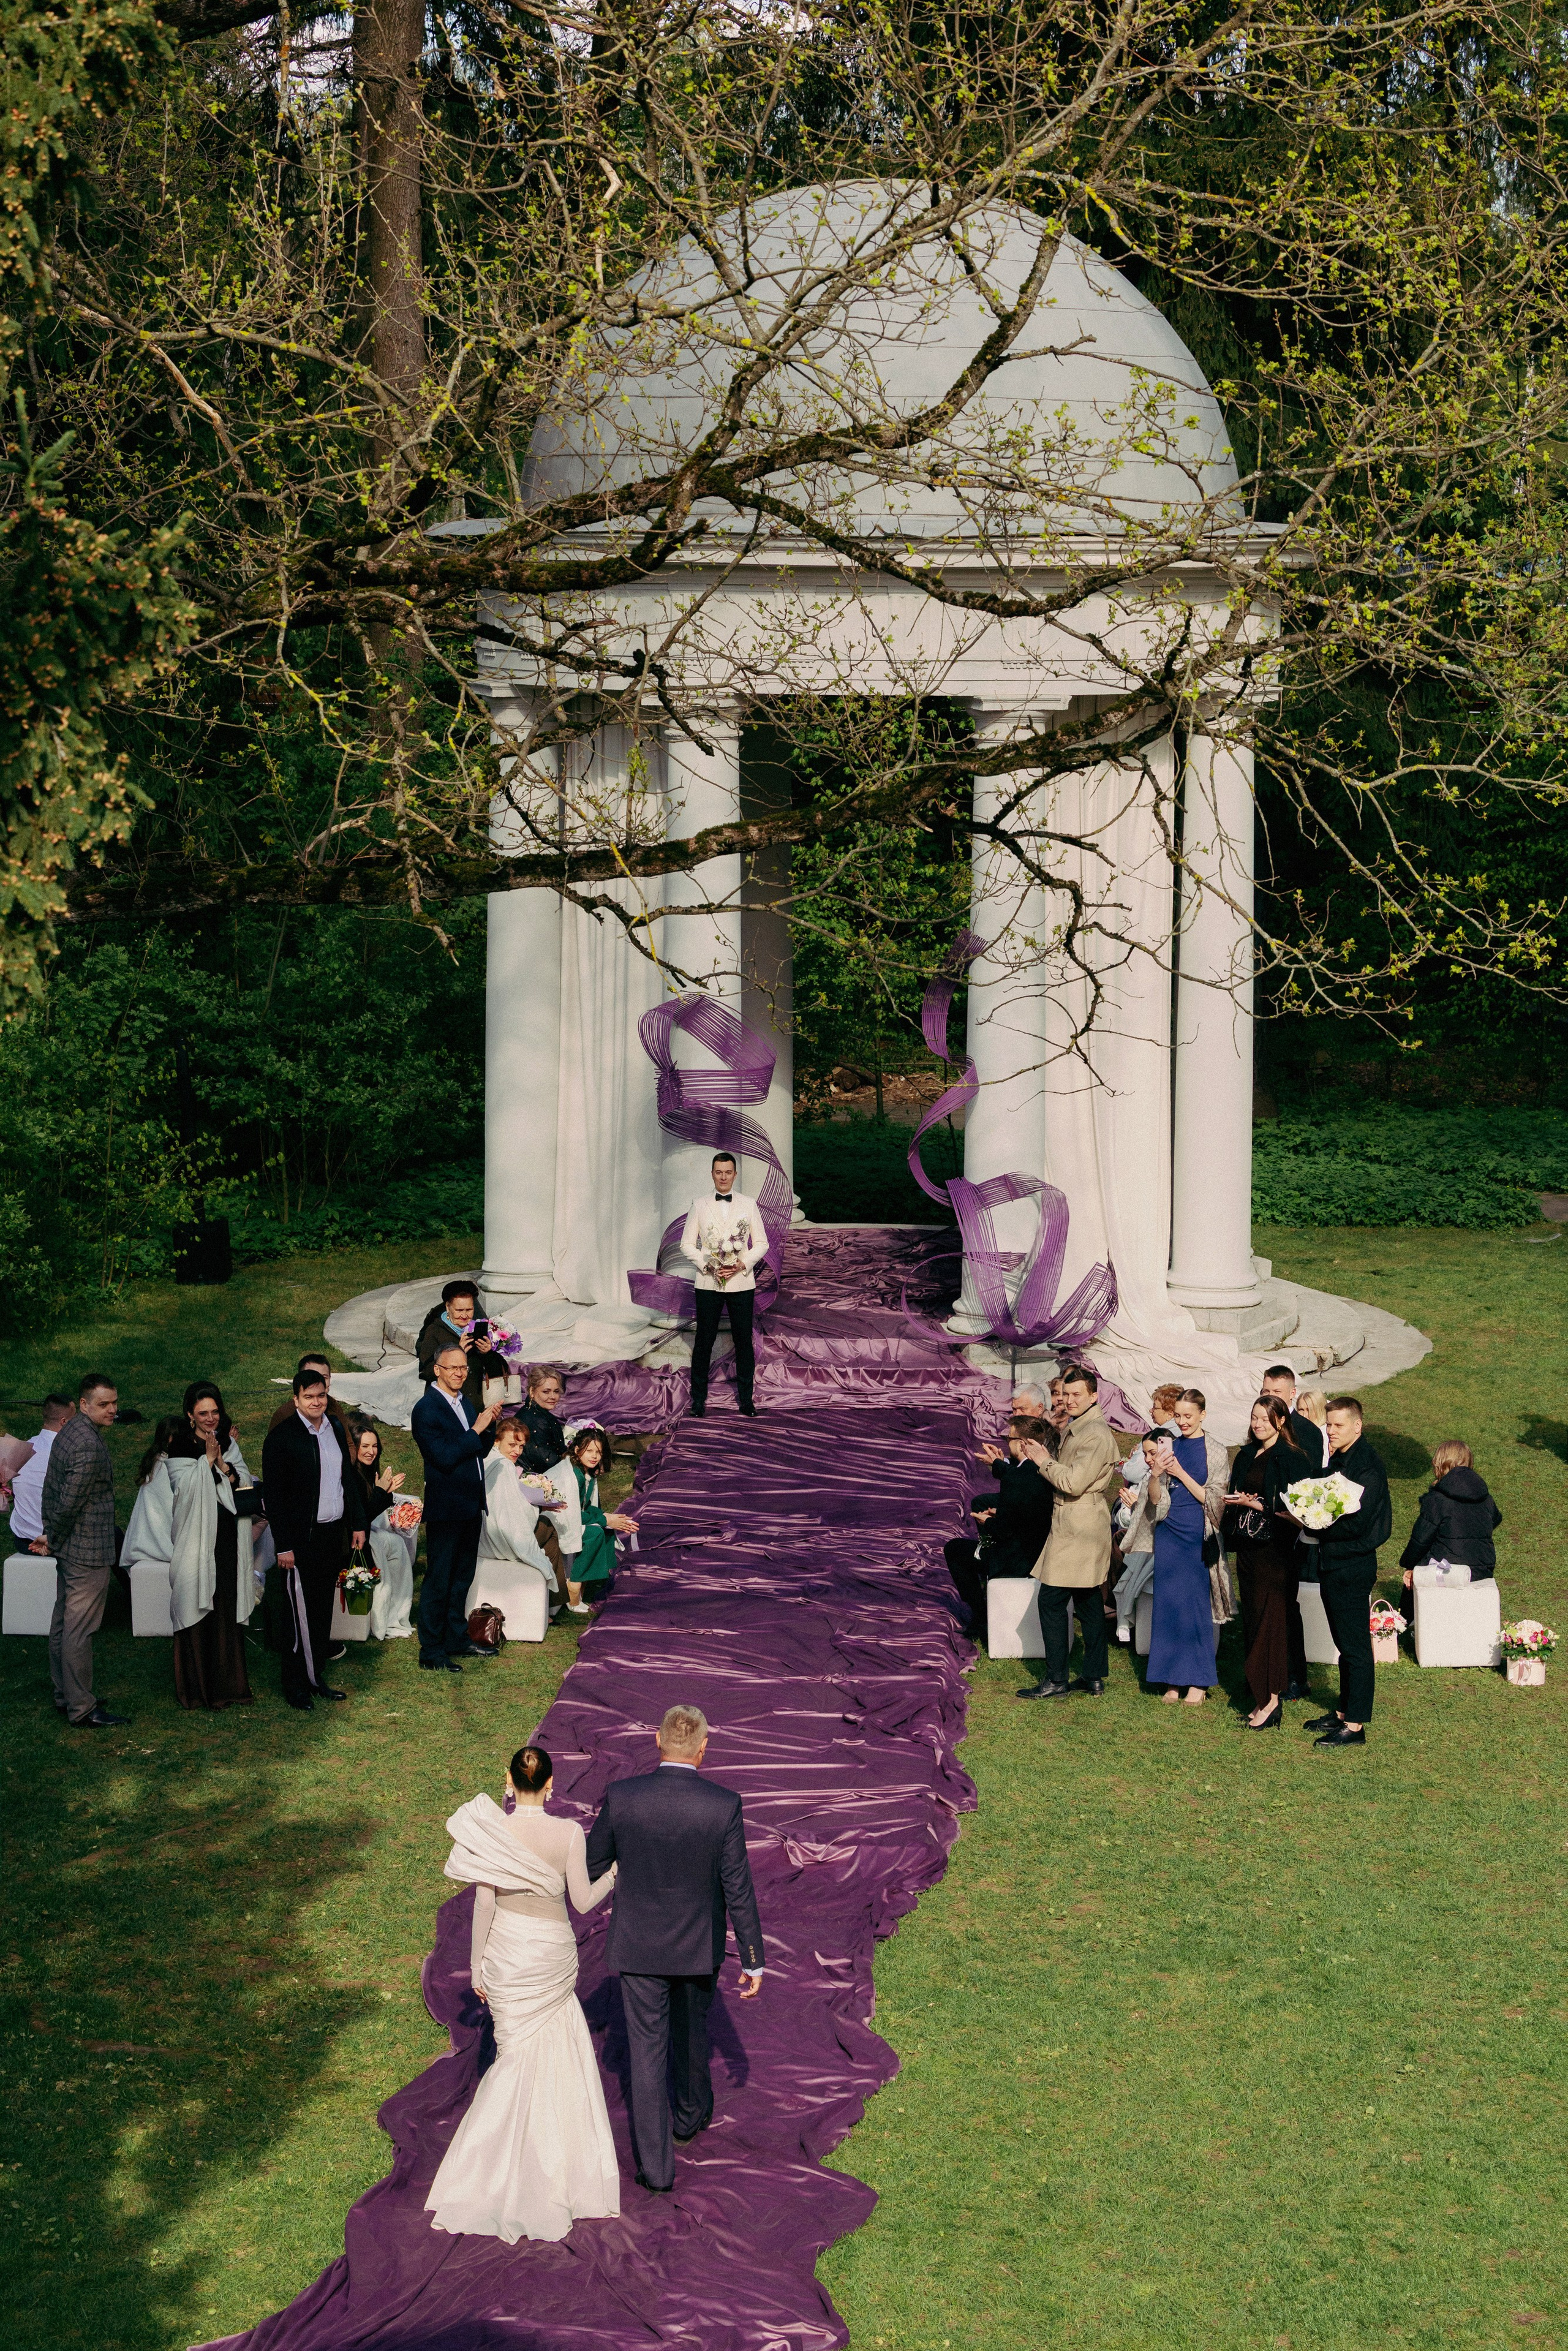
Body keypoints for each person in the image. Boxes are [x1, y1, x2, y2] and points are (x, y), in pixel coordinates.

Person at [426, 1742, 620, 2243]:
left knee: (513, 2054)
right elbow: (583, 1902)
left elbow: (485, 1906)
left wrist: (476, 1966)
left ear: (509, 1782)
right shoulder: (568, 1834)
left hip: (510, 1956)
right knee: (556, 2046)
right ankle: (561, 2163)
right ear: (551, 1785)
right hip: (552, 1955)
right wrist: (614, 1874)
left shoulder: (496, 1833)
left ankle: (485, 2170)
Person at [586, 1702, 764, 2194]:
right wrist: (753, 1958)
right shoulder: (723, 1805)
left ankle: (657, 2169)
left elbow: (592, 1863)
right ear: (704, 1749)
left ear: (657, 1741)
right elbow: (738, 1887)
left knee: (645, 2058)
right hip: (698, 1947)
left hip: (639, 1947)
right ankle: (688, 2118)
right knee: (691, 2032)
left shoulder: (623, 1797)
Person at [260, 1369, 366, 1711]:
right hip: (299, 1541)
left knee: (321, 1612)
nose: (316, 1402)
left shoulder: (334, 1427)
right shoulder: (282, 1438)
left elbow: (347, 1479)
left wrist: (357, 1524)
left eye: (321, 1395)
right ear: (296, 1400)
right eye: (309, 1397)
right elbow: (274, 1498)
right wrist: (284, 1545)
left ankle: (316, 1677)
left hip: (331, 1536)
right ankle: (295, 1685)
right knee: (297, 1616)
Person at [1016, 1365, 1122, 1699]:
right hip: (1077, 1522)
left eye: (1078, 1394)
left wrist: (1042, 1460)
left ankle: (1057, 1680)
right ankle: (1093, 1677)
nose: (1070, 1400)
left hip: (1079, 1524)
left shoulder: (1095, 1434)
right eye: (1066, 1394)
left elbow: (1073, 1482)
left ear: (1094, 1396)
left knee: (1051, 1600)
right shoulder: (1082, 1427)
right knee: (1088, 1600)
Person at [157, 1383, 262, 1710]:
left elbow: (244, 1481)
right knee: (198, 1603)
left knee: (226, 1605)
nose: (210, 1418)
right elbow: (183, 1490)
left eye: (215, 1412)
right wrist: (207, 1462)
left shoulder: (228, 1442)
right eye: (203, 1413)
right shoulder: (180, 1446)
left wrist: (223, 1466)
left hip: (228, 1538)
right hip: (198, 1540)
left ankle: (229, 1686)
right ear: (190, 1415)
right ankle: (199, 1689)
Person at [1298, 1395, 1391, 1748]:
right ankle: (1343, 1711)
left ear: (1358, 1426)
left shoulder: (1367, 1466)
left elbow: (1359, 1522)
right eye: (1329, 1425)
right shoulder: (1340, 1458)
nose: (1331, 1431)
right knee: (1344, 1643)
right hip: (1333, 1560)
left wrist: (1314, 1525)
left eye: (1338, 1425)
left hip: (1352, 1564)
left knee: (1355, 1647)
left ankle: (1355, 1725)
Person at [410, 1343, 502, 1672]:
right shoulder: (426, 1409)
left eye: (464, 1367)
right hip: (447, 1507)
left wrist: (490, 1424)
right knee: (439, 1579)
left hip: (470, 1503)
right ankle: (431, 1650)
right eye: (453, 1368)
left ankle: (455, 1638)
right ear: (438, 1370)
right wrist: (477, 1429)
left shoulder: (465, 1402)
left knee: (462, 1577)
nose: (460, 1374)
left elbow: (481, 1448)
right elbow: (444, 1456)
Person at [41, 1372, 125, 1729]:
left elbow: (54, 1490)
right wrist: (53, 1537)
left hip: (70, 1547)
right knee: (79, 1631)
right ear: (84, 1404)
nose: (112, 1410)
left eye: (115, 1402)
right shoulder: (88, 1444)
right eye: (104, 1404)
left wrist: (54, 1538)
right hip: (85, 1551)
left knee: (63, 1625)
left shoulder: (71, 1429)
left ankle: (66, 1695)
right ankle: (82, 1708)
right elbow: (69, 1502)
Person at [1225, 1397, 1310, 1728]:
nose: (1258, 1424)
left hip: (1276, 1552)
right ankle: (1259, 1692)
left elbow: (1298, 1510)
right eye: (1254, 1418)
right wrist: (1238, 1502)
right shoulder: (1247, 1454)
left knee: (1270, 1622)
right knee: (1254, 1618)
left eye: (1265, 1418)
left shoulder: (1293, 1458)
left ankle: (1272, 1700)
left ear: (1281, 1420)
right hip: (1248, 1548)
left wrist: (1257, 1505)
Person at [1146, 1387, 1231, 1705]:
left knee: (1195, 1606)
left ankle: (1198, 1680)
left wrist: (1179, 1472)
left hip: (1198, 1532)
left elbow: (1215, 1500)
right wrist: (1155, 1475)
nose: (1182, 1422)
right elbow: (1155, 1499)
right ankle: (1171, 1678)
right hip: (1168, 1531)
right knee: (1168, 1605)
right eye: (1178, 1416)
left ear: (1203, 1415)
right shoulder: (1169, 1445)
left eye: (1188, 1416)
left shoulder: (1216, 1451)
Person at [680, 1151, 768, 1419]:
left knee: (743, 1342)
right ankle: (698, 1400)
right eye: (719, 1172)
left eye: (728, 1172)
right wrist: (707, 1264)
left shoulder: (749, 1204)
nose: (723, 1177)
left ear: (735, 1175)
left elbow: (762, 1243)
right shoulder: (699, 1204)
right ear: (712, 1174)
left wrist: (742, 1264)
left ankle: (746, 1400)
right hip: (708, 1283)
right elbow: (686, 1244)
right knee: (704, 1341)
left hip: (741, 1283)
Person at [1260, 1362, 1325, 1698]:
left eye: (1277, 1392)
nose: (1270, 1397)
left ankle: (1295, 1676)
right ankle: (1265, 1672)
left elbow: (1309, 1484)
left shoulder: (1307, 1432)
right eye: (1265, 1391)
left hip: (1291, 1530)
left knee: (1286, 1605)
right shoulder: (1260, 1424)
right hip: (1261, 1528)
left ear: (1292, 1394)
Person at [1398, 1441, 1501, 1610]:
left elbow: (1421, 1540)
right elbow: (1495, 1519)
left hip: (1447, 1570)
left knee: (1413, 1581)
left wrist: (1409, 1565)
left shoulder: (1436, 1499)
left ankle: (1406, 1624)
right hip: (1482, 1569)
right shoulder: (1485, 1497)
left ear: (1439, 1463)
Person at [476, 1413, 562, 1610]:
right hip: (498, 1538)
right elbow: (512, 1514)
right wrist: (539, 1506)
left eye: (521, 1446)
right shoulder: (504, 1465)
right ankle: (554, 1604)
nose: (517, 1451)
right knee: (549, 1528)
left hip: (481, 1532)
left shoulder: (487, 1459)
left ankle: (553, 1603)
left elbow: (508, 1504)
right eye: (512, 1445)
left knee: (548, 1536)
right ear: (497, 1441)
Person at [343, 1417, 417, 1640]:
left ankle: (397, 1613)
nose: (371, 1452)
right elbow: (361, 1518)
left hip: (366, 1532)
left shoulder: (367, 1471)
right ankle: (383, 1619)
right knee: (388, 1544)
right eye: (365, 1446)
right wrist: (381, 1492)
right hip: (351, 1538)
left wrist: (385, 1493)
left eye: (374, 1446)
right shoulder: (351, 1474)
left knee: (397, 1544)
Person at [517, 1367, 582, 1604]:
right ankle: (561, 1592)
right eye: (546, 1391)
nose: (553, 1396)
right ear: (532, 1391)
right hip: (531, 1487)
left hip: (544, 1481)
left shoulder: (543, 1415)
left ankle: (556, 1600)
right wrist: (573, 1458)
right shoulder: (531, 1419)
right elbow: (544, 1459)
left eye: (556, 1391)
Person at [563, 1425, 636, 1613]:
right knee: (594, 1533)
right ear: (577, 1450)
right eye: (589, 1451)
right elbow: (572, 1513)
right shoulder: (574, 1475)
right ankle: (573, 1587)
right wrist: (605, 1520)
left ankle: (589, 1582)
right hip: (562, 1521)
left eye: (598, 1452)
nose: (594, 1456)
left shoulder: (587, 1472)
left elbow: (585, 1507)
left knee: (607, 1532)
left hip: (573, 1517)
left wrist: (607, 1518)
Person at [416, 1279, 497, 1409]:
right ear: (448, 1307)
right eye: (459, 1310)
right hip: (446, 1406)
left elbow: (497, 1372)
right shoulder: (435, 1331)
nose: (465, 1316)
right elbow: (428, 1372)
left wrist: (488, 1353)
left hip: (475, 1407)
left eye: (469, 1310)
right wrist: (458, 1353)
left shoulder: (478, 1329)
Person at [13, 1393, 74, 1551]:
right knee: (112, 1535)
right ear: (64, 1422)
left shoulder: (24, 1447)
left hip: (23, 1540)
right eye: (75, 1420)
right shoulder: (69, 1452)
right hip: (53, 1542)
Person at [267, 1356, 349, 1433]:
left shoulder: (334, 1408)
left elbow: (347, 1441)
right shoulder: (285, 1415)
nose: (318, 1383)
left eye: (324, 1378)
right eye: (311, 1377)